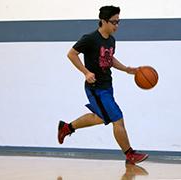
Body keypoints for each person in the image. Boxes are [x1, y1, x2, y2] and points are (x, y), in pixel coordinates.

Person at [57, 5, 148, 164]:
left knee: (99, 117)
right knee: (117, 118)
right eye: (114, 22)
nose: (116, 26)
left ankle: (67, 128)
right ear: (103, 21)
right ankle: (129, 154)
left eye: (118, 22)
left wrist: (127, 69)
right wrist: (85, 72)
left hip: (107, 86)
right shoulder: (90, 38)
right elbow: (71, 54)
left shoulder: (111, 40)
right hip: (96, 88)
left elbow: (109, 59)